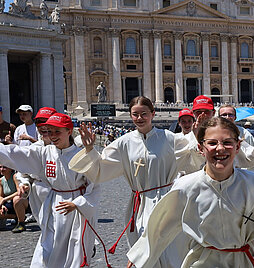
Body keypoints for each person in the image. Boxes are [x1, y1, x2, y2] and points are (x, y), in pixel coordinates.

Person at [127, 116, 254, 268]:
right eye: (212, 143)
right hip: (203, 261)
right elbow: (162, 225)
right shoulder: (186, 186)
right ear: (201, 148)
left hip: (244, 260)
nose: (220, 148)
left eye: (227, 142)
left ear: (238, 146)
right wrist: (141, 255)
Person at [71, 96, 199, 268]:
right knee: (143, 248)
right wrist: (89, 149)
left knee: (171, 249)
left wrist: (200, 137)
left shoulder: (169, 138)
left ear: (153, 114)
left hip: (167, 201)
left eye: (144, 114)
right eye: (135, 114)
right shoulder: (124, 142)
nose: (139, 118)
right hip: (140, 204)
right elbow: (102, 168)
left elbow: (192, 155)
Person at [0, 113, 103, 267]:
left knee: (74, 253)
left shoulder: (82, 155)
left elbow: (95, 185)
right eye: (49, 131)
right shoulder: (45, 153)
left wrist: (78, 204)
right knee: (46, 250)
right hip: (53, 207)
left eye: (57, 132)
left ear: (69, 131)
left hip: (76, 210)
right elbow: (17, 155)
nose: (52, 136)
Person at [219, 104, 254, 173]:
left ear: (235, 117)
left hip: (242, 175)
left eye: (230, 115)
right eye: (224, 115)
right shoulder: (213, 134)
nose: (227, 117)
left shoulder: (245, 134)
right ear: (219, 117)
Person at [0, 165, 28, 232]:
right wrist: (2, 205)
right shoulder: (1, 180)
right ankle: (15, 217)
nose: (1, 169)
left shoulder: (15, 176)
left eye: (4, 167)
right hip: (9, 204)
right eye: (0, 167)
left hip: (22, 202)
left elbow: (19, 192)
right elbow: (0, 196)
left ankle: (21, 223)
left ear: (10, 168)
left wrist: (4, 199)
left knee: (17, 198)